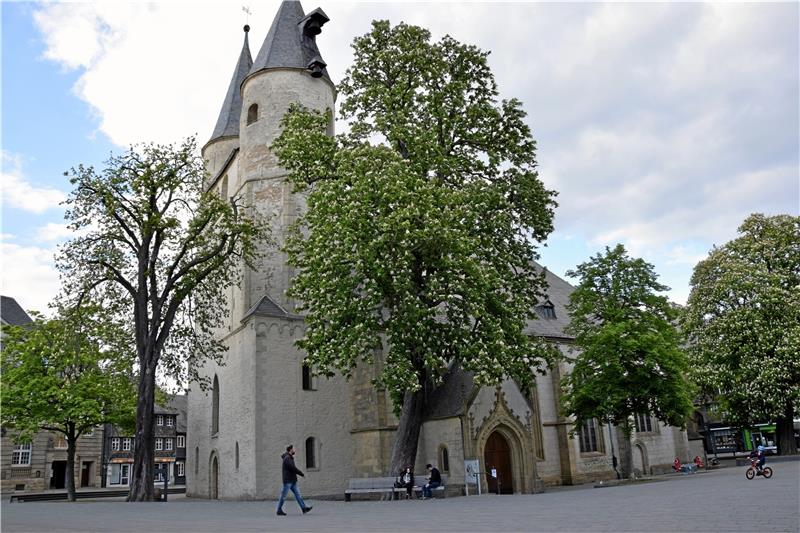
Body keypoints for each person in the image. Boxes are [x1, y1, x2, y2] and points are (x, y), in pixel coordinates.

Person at [276, 445, 312, 516]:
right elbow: (293, 468)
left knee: (298, 495)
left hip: (292, 481)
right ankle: (279, 510)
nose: (294, 450)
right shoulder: (287, 459)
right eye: (293, 449)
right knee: (283, 496)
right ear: (290, 450)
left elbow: (293, 469)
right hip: (288, 481)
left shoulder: (289, 458)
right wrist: (301, 474)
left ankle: (304, 508)